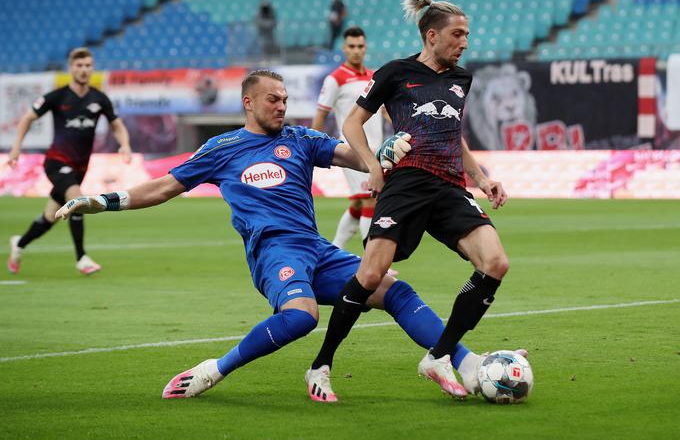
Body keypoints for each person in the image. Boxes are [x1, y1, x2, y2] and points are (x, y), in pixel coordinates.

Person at [55, 70, 490, 402]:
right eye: (272, 99)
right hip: (273, 251)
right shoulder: (221, 149)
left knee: (394, 289)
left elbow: (348, 156)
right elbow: (164, 187)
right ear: (249, 102)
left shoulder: (300, 138)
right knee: (302, 316)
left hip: (316, 249)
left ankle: (468, 363)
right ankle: (214, 370)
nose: (282, 106)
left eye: (284, 99)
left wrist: (381, 154)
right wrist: (104, 201)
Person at [306, 0, 516, 400]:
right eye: (458, 34)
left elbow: (455, 136)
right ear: (432, 35)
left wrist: (481, 177)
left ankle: (438, 355)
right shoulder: (395, 73)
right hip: (405, 184)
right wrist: (371, 165)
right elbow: (352, 123)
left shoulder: (461, 79)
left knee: (496, 262)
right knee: (370, 276)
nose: (465, 42)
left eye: (468, 34)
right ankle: (321, 364)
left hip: (450, 186)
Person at [6, 47, 132, 275]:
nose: (84, 70)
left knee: (50, 217)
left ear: (92, 68)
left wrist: (125, 144)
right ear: (71, 67)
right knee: (78, 199)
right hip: (56, 161)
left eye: (88, 66)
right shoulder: (57, 96)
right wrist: (16, 149)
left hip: (80, 167)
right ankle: (81, 257)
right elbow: (27, 118)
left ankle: (19, 243)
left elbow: (116, 124)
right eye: (79, 66)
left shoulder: (99, 98)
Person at [312, 26, 386, 249]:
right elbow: (321, 115)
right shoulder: (335, 79)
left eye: (360, 46)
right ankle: (371, 261)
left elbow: (385, 111)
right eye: (352, 46)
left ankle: (333, 251)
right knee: (370, 199)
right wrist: (313, 149)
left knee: (357, 204)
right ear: (344, 48)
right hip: (354, 151)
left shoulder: (374, 77)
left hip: (377, 149)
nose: (356, 51)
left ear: (366, 48)